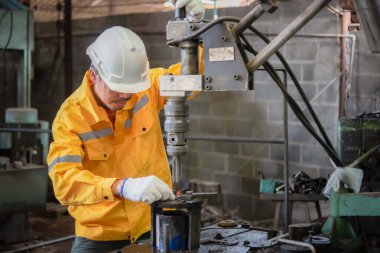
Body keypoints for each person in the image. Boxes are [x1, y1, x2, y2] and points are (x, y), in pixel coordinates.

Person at [47, 1, 204, 252]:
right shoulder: (70, 118)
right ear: (94, 74)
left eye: (132, 90)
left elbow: (195, 75)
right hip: (99, 234)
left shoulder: (147, 88)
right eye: (119, 89)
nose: (126, 97)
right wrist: (121, 186)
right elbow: (64, 182)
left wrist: (200, 30)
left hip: (152, 222)